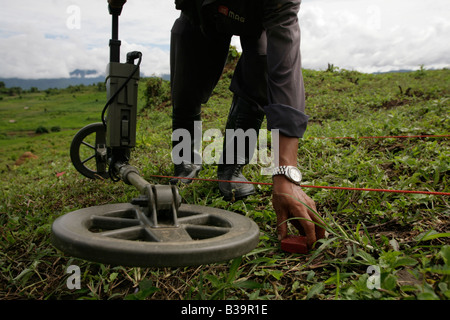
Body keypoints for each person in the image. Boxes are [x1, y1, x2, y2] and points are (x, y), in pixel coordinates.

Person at [108, 0, 325, 249]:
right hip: (199, 16)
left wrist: (286, 174)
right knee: (186, 88)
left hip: (255, 23)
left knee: (262, 67)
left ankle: (230, 170)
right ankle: (185, 161)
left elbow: (285, 67)